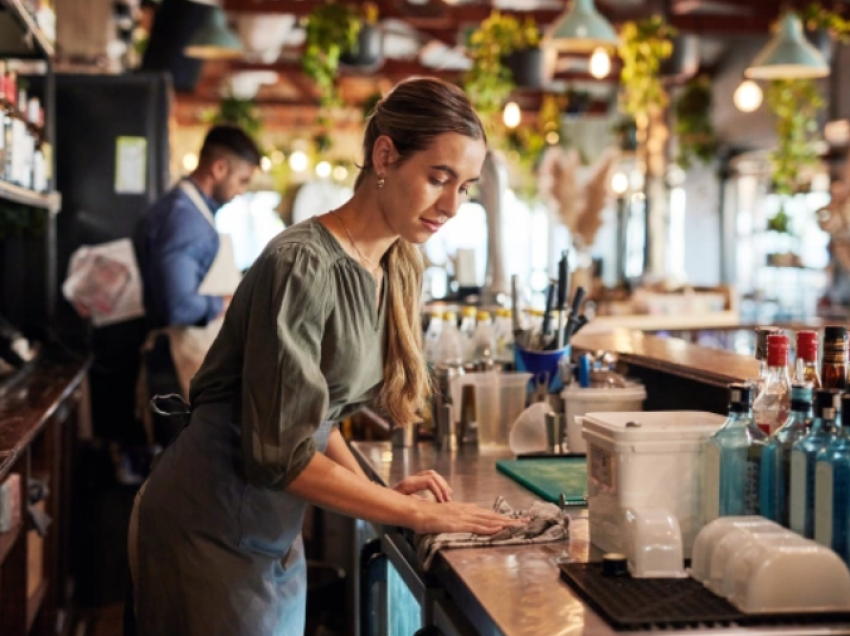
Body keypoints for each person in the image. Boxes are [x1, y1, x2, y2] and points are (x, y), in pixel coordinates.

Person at [127, 77, 523, 635]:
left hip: (270, 527)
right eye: (439, 178)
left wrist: (374, 487)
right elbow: (280, 454)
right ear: (385, 155)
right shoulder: (302, 265)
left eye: (466, 187)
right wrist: (416, 513)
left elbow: (318, 414)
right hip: (208, 524)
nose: (453, 205)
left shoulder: (394, 264)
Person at [136, 125, 261, 432]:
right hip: (174, 365)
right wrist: (229, 303)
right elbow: (179, 305)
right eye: (242, 180)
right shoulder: (184, 218)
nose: (242, 190)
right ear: (219, 168)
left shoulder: (185, 209)